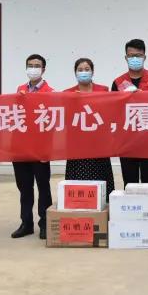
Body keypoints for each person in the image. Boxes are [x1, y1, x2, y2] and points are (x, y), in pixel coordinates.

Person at [111, 38, 148, 185]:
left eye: (138, 55)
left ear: (144, 57)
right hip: (127, 141)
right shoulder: (118, 82)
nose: (135, 59)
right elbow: (113, 111)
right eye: (131, 56)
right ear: (126, 58)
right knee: (130, 183)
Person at [12, 54, 54, 239]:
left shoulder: (50, 92)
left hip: (40, 149)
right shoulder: (20, 90)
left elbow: (53, 124)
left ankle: (44, 223)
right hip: (21, 148)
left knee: (43, 187)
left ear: (43, 69)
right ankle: (26, 223)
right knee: (24, 187)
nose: (33, 68)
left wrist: (48, 150)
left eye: (37, 66)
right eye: (30, 65)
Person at [62, 58, 115, 199]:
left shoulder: (103, 90)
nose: (83, 72)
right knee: (78, 182)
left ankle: (103, 206)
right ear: (75, 72)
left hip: (99, 143)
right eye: (80, 70)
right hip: (77, 145)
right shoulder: (67, 93)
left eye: (87, 69)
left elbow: (110, 112)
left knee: (101, 178)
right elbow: (65, 118)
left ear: (92, 71)